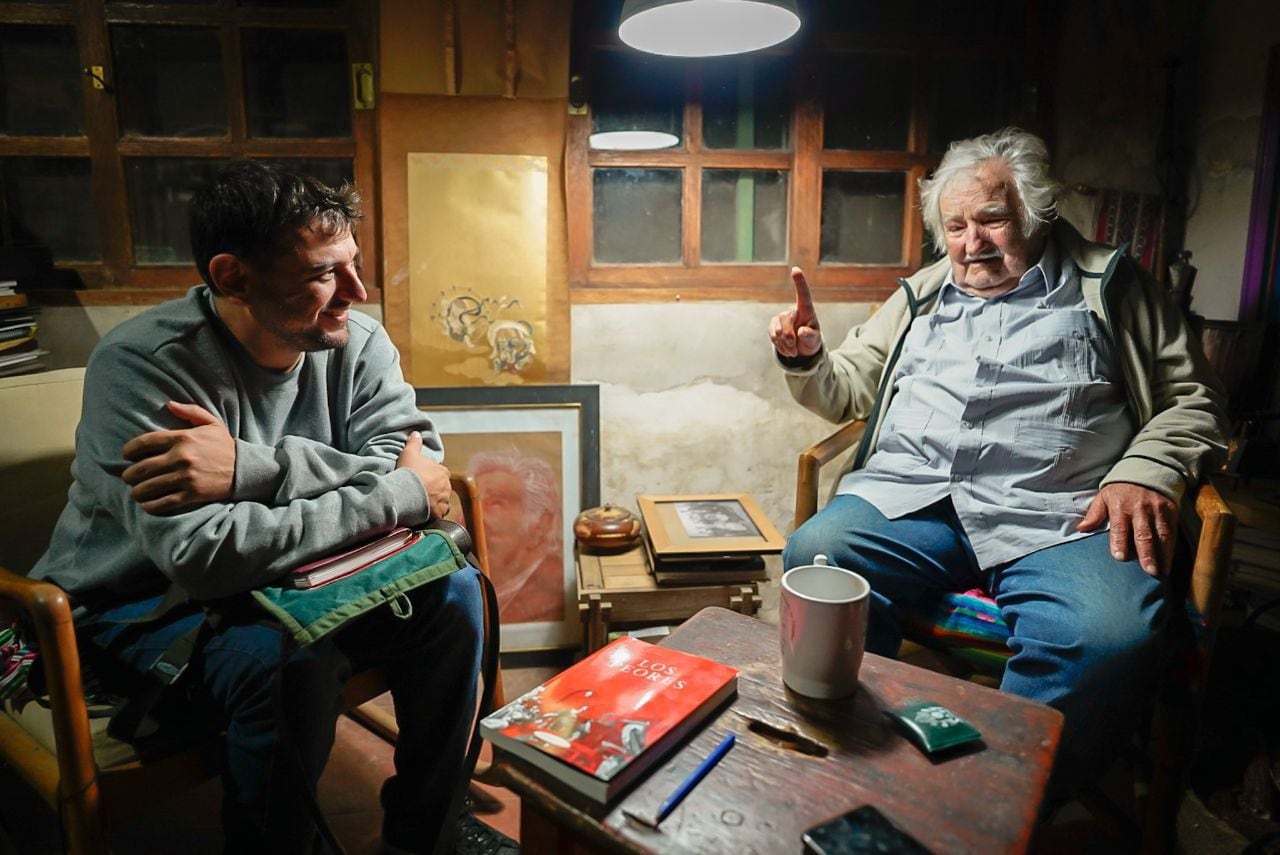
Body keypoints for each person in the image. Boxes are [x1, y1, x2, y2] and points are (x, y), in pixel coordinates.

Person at [31, 161, 493, 853]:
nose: (356, 292)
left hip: (308, 572)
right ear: (233, 276)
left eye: (354, 263)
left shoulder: (359, 340)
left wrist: (253, 468)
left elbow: (413, 460)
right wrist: (392, 494)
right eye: (323, 273)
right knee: (286, 661)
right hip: (148, 604)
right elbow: (207, 557)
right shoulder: (143, 364)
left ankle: (426, 835)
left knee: (457, 594)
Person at [768, 127, 1227, 800]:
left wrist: (1146, 469)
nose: (971, 243)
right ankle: (854, 755)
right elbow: (846, 389)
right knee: (819, 556)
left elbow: (1193, 399)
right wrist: (808, 356)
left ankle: (1001, 801)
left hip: (1060, 513)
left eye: (991, 220)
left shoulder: (1112, 285)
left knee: (1104, 634)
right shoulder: (922, 294)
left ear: (1038, 214)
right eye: (955, 227)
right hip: (912, 498)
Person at [468, 449, 564, 624]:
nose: (473, 513)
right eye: (471, 502)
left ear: (540, 524)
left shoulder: (553, 595)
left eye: (495, 503)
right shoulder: (462, 584)